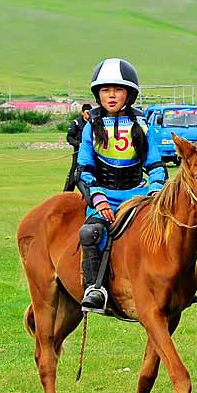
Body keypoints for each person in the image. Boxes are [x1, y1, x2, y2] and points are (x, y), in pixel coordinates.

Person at [76, 58, 168, 314]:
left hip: (139, 196)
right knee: (89, 233)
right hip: (104, 196)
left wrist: (155, 190)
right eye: (105, 90)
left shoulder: (142, 126)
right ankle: (94, 289)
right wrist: (98, 199)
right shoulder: (90, 128)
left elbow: (156, 165)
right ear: (98, 94)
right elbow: (83, 169)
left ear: (130, 93)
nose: (111, 96)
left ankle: (175, 285)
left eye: (117, 90)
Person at [63, 103, 93, 191]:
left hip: (91, 152)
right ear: (82, 113)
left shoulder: (94, 123)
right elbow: (69, 137)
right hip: (79, 152)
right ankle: (67, 193)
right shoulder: (76, 123)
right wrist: (78, 144)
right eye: (87, 112)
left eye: (90, 112)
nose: (88, 115)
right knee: (74, 173)